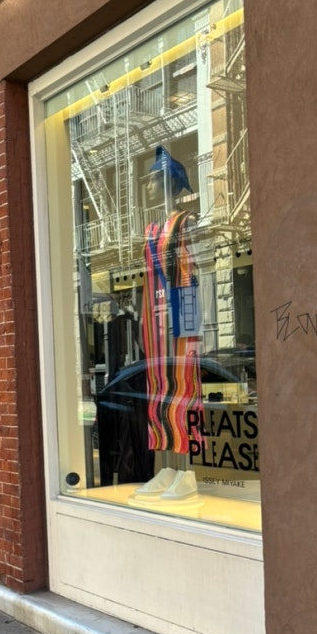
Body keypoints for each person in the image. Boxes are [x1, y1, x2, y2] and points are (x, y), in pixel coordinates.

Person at [134, 145, 203, 502]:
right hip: (156, 319)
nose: (147, 187)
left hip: (179, 314)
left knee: (183, 387)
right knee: (158, 389)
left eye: (152, 181)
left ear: (167, 183)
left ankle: (188, 469)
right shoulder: (151, 230)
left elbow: (193, 272)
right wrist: (143, 321)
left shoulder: (185, 222)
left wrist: (189, 324)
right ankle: (167, 466)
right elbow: (147, 280)